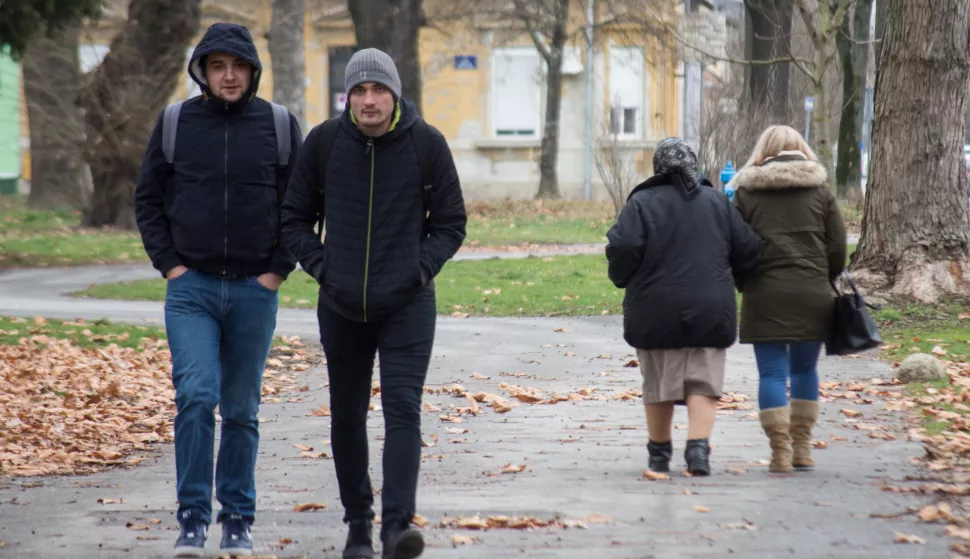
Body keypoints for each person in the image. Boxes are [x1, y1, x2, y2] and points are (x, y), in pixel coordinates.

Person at [280, 48, 466, 559]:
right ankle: (359, 524)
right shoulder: (323, 144)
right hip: (341, 306)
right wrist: (324, 269)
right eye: (358, 91)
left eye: (378, 90)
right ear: (348, 96)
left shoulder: (426, 144)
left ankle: (396, 526)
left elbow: (451, 223)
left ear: (395, 93)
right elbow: (293, 218)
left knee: (402, 410)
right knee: (346, 415)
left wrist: (418, 268)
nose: (368, 100)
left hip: (408, 304)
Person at [134, 22, 302, 557]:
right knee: (196, 397)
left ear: (252, 70)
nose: (228, 76)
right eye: (217, 66)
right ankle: (191, 516)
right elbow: (148, 201)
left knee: (242, 409)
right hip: (192, 291)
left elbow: (302, 207)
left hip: (256, 289)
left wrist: (276, 270)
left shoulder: (278, 125)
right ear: (203, 72)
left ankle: (237, 519)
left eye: (238, 66)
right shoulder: (176, 124)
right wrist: (171, 266)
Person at [606, 138, 762, 476]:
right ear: (693, 164)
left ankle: (659, 456)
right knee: (704, 382)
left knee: (659, 382)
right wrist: (733, 275)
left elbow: (625, 245)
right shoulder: (719, 203)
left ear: (658, 168)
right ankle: (698, 453)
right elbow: (748, 248)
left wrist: (622, 276)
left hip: (653, 306)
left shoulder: (641, 203)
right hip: (710, 305)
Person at [730, 125, 847, 473]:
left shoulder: (746, 194)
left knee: (771, 373)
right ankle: (803, 448)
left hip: (764, 293)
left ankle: (779, 451)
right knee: (804, 369)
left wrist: (743, 282)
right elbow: (838, 245)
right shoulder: (820, 192)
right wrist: (825, 278)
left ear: (762, 152)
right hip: (811, 293)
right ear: (801, 148)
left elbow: (734, 246)